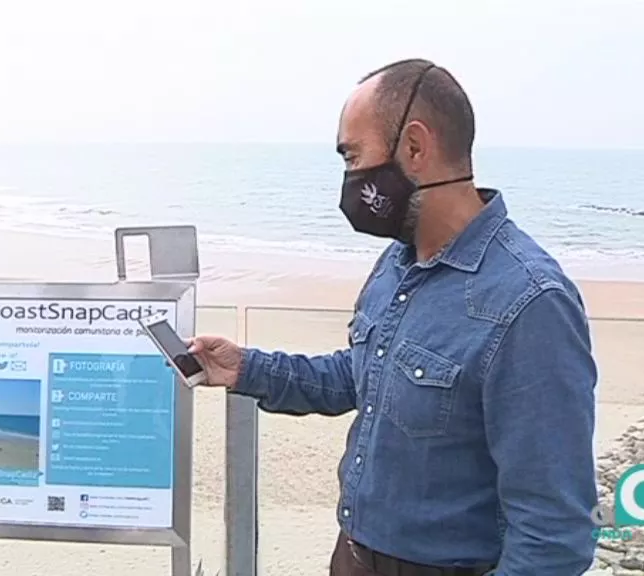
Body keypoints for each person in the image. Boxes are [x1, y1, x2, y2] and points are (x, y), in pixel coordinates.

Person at [188, 59, 599, 575]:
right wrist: (246, 368)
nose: (350, 179)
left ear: (414, 147)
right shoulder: (399, 261)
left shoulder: (531, 302)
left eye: (353, 156)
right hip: (355, 556)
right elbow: (360, 375)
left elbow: (553, 534)